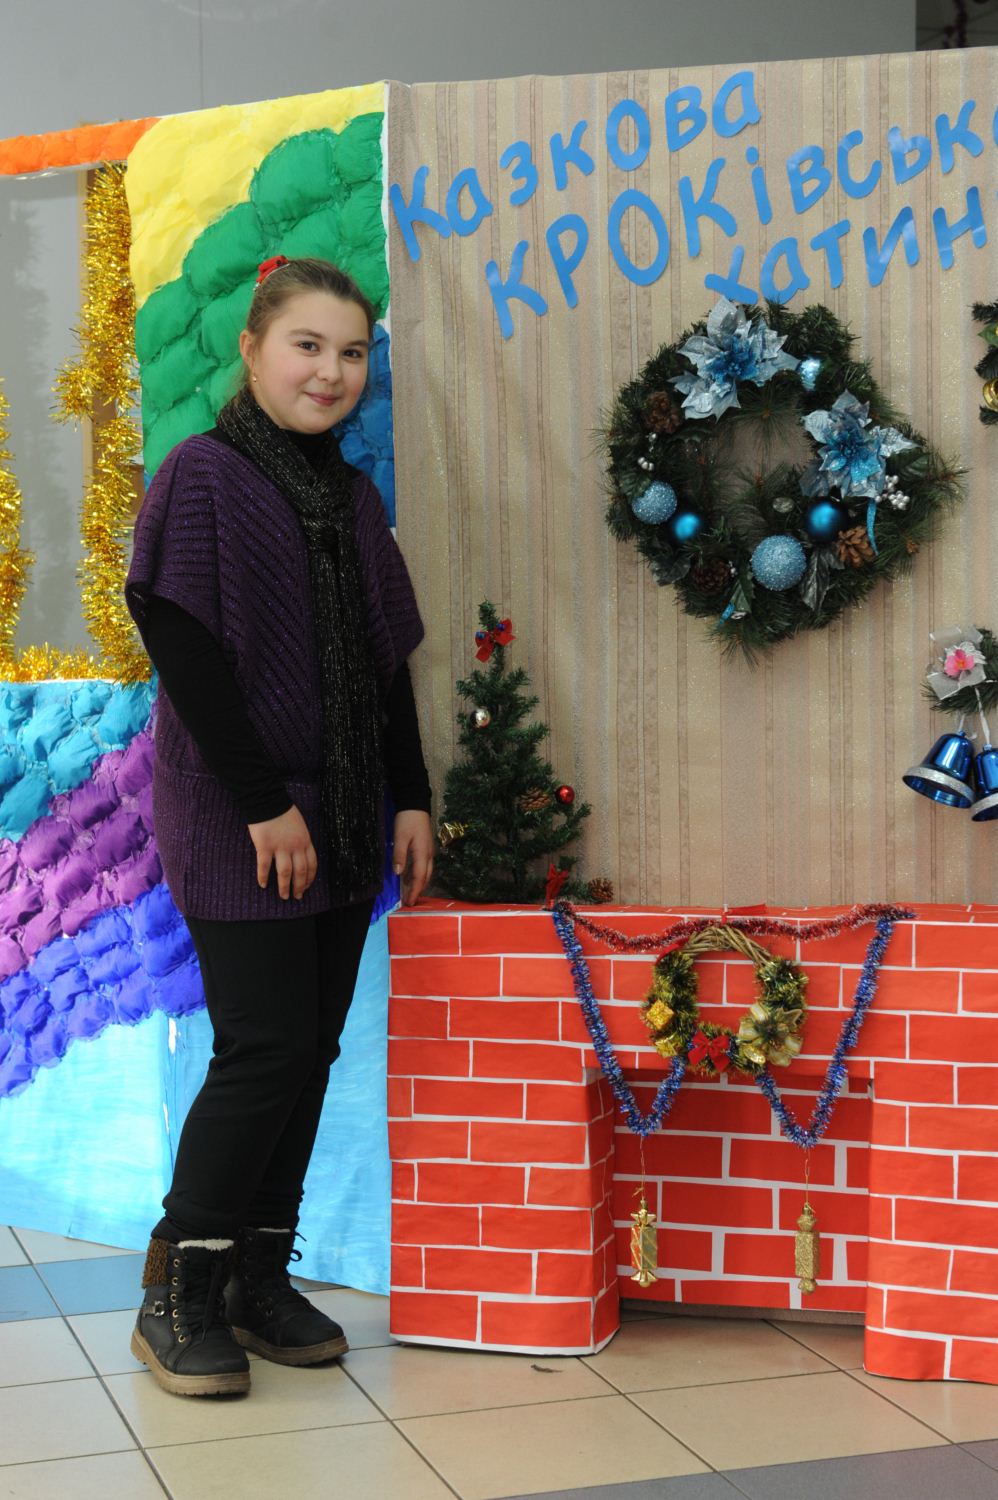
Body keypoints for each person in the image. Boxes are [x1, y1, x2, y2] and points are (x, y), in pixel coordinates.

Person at [124, 255, 433, 1398]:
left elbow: (382, 663)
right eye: (308, 345)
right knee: (262, 1049)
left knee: (309, 1050)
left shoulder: (350, 499)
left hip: (343, 810)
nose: (330, 371)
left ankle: (257, 1276)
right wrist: (263, 804)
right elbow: (182, 648)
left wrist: (409, 795)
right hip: (239, 808)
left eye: (351, 353)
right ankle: (178, 1293)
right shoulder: (201, 476)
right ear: (252, 348)